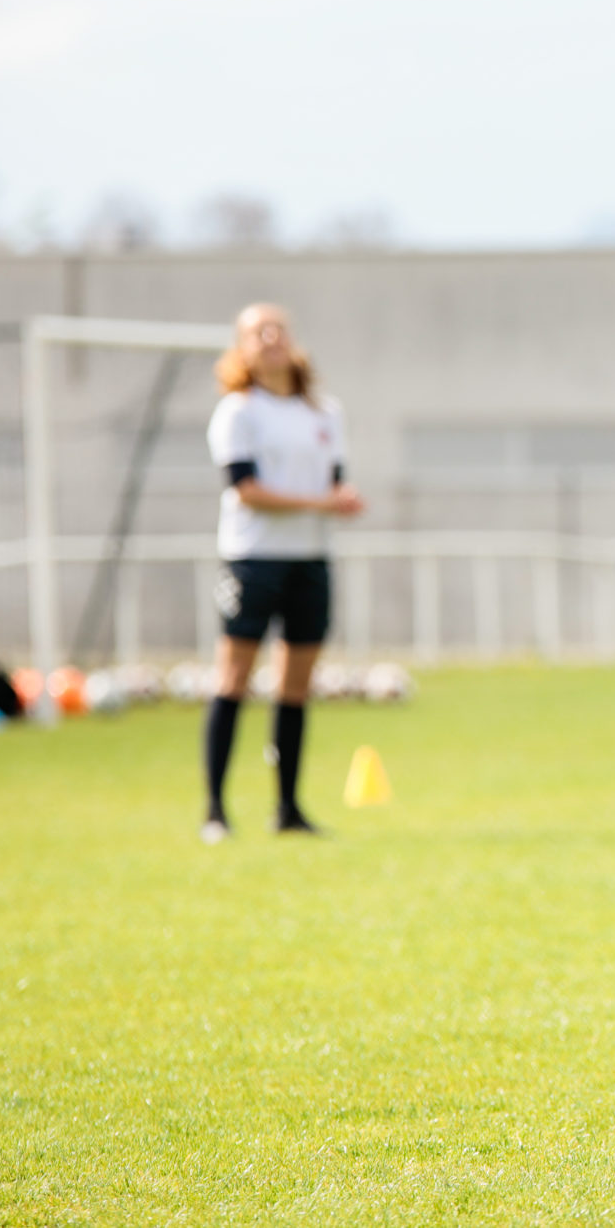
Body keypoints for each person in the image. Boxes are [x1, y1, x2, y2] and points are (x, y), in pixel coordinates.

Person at [200, 303, 363, 843]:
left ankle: (288, 808)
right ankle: (216, 811)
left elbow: (335, 483)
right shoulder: (238, 411)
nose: (270, 338)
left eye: (278, 329)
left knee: (295, 686)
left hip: (309, 561)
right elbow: (245, 491)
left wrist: (340, 500)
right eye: (256, 331)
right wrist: (320, 504)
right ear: (242, 348)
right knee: (234, 680)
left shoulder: (325, 414)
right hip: (254, 559)